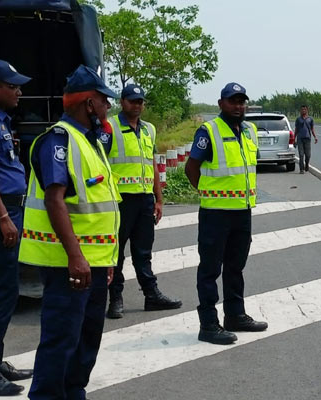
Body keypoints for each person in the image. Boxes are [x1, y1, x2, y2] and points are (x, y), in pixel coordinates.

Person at [19, 65, 121, 399]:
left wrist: (105, 261)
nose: (108, 107)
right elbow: (54, 200)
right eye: (104, 101)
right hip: (67, 264)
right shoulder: (58, 141)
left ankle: (74, 392)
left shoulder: (90, 142)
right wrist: (76, 257)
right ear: (89, 104)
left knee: (87, 339)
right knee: (61, 340)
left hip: (93, 261)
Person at [185, 82, 268, 345]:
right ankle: (208, 324)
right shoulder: (208, 131)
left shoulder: (249, 131)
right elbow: (191, 168)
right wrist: (209, 192)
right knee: (210, 269)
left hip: (242, 212)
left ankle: (235, 315)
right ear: (221, 104)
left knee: (236, 267)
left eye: (242, 101)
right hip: (215, 214)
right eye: (233, 101)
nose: (238, 106)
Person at [102, 83, 181, 319]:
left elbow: (153, 166)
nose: (137, 105)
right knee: (116, 253)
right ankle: (115, 298)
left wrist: (159, 199)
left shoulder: (149, 130)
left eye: (140, 101)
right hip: (119, 200)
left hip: (145, 199)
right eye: (132, 101)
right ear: (121, 102)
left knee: (143, 251)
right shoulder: (110, 128)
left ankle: (151, 294)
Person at [0, 60, 33, 396]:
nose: (18, 91)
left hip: (10, 210)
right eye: (12, 86)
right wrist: (4, 217)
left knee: (5, 291)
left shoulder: (1, 121)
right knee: (1, 293)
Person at [293, 105, 317, 174]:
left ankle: (306, 164)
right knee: (301, 154)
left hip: (307, 139)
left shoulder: (310, 119)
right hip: (300, 139)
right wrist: (294, 139)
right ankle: (301, 169)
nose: (303, 110)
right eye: (302, 109)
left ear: (307, 110)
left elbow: (312, 129)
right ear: (300, 111)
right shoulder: (298, 119)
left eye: (305, 109)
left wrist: (315, 137)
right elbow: (296, 129)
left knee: (308, 155)